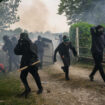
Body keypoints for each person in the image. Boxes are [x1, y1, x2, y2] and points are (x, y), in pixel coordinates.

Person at [14, 33, 43, 98]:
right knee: (22, 77)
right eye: (21, 39)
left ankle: (40, 88)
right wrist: (18, 43)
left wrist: (31, 62)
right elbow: (16, 52)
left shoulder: (31, 44)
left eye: (22, 38)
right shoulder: (23, 45)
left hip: (32, 64)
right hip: (25, 63)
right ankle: (27, 89)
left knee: (36, 76)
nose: (22, 40)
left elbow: (34, 54)